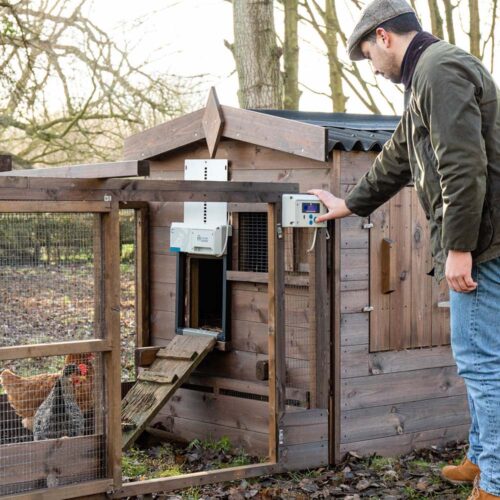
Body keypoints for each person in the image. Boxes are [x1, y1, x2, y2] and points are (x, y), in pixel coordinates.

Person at [309, 1, 500, 499]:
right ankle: (482, 459)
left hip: (483, 244)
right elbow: (398, 156)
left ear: (385, 36)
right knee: (478, 358)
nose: (372, 66)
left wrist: (460, 247)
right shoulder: (426, 79)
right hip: (479, 240)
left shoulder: (439, 71)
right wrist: (347, 203)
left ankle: (497, 481)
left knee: (481, 363)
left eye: (369, 53)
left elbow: (463, 165)